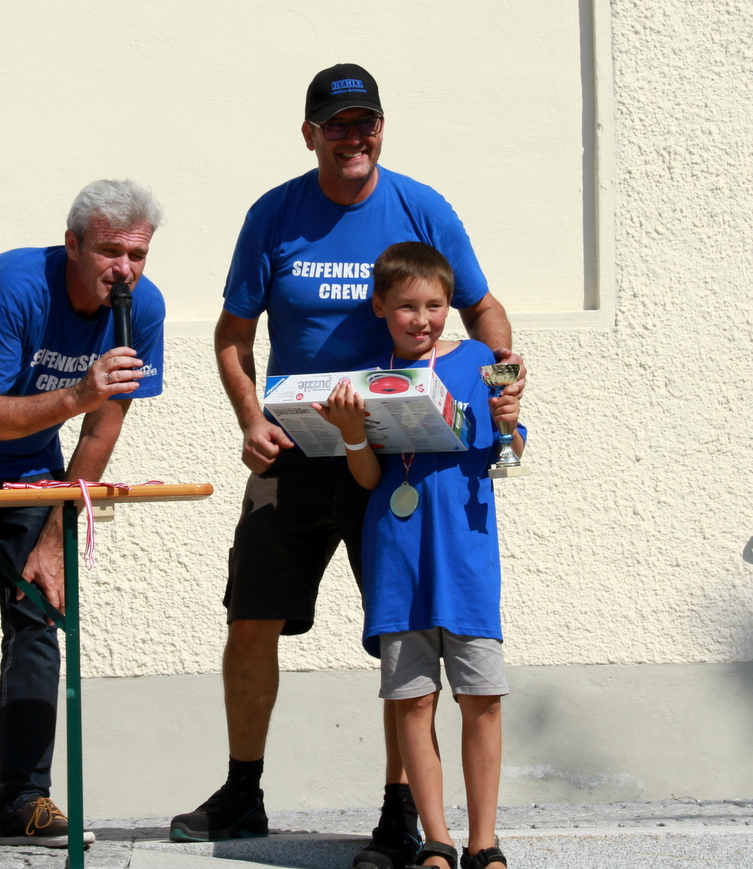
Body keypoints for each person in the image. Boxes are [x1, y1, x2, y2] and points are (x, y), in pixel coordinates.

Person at [170, 64, 522, 869]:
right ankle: (243, 789)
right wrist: (249, 418)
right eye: (338, 126)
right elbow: (232, 335)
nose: (353, 138)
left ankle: (402, 817)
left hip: (394, 457)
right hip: (295, 448)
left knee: (400, 634)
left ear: (381, 130)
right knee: (251, 616)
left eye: (366, 123)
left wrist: (503, 377)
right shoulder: (274, 214)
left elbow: (482, 308)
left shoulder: (421, 207)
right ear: (310, 136)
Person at [0, 179, 165, 858]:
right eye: (109, 252)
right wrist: (77, 392)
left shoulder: (142, 309)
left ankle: (25, 799)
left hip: (30, 462)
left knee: (39, 611)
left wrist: (52, 535)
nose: (124, 270)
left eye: (137, 255)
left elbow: (102, 428)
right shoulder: (13, 287)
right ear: (72, 244)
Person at [316, 241, 520, 869]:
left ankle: (484, 842)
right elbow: (369, 480)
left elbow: (512, 452)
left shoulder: (481, 360)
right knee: (413, 701)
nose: (422, 318)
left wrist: (509, 421)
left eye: (434, 305)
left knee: (481, 699)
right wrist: (353, 434)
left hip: (466, 560)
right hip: (398, 563)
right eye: (407, 306)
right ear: (381, 307)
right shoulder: (364, 379)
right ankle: (437, 840)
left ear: (449, 305)